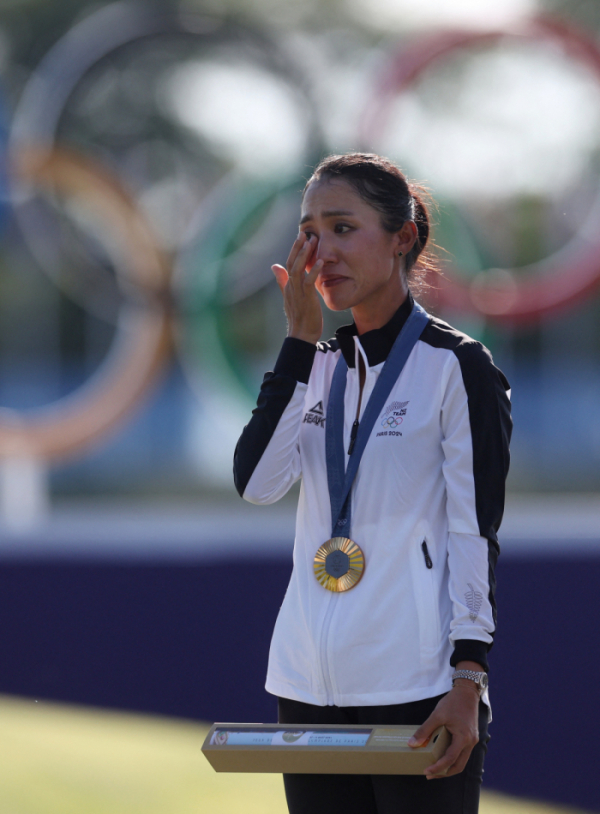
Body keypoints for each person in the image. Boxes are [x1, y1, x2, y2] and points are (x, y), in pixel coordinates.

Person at [233, 153, 512, 814]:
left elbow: (475, 532)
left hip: (418, 688)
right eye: (308, 233)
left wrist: (468, 677)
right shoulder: (317, 367)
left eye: (342, 228)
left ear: (402, 238)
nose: (321, 251)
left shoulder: (457, 367)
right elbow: (257, 483)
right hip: (306, 683)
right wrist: (299, 340)